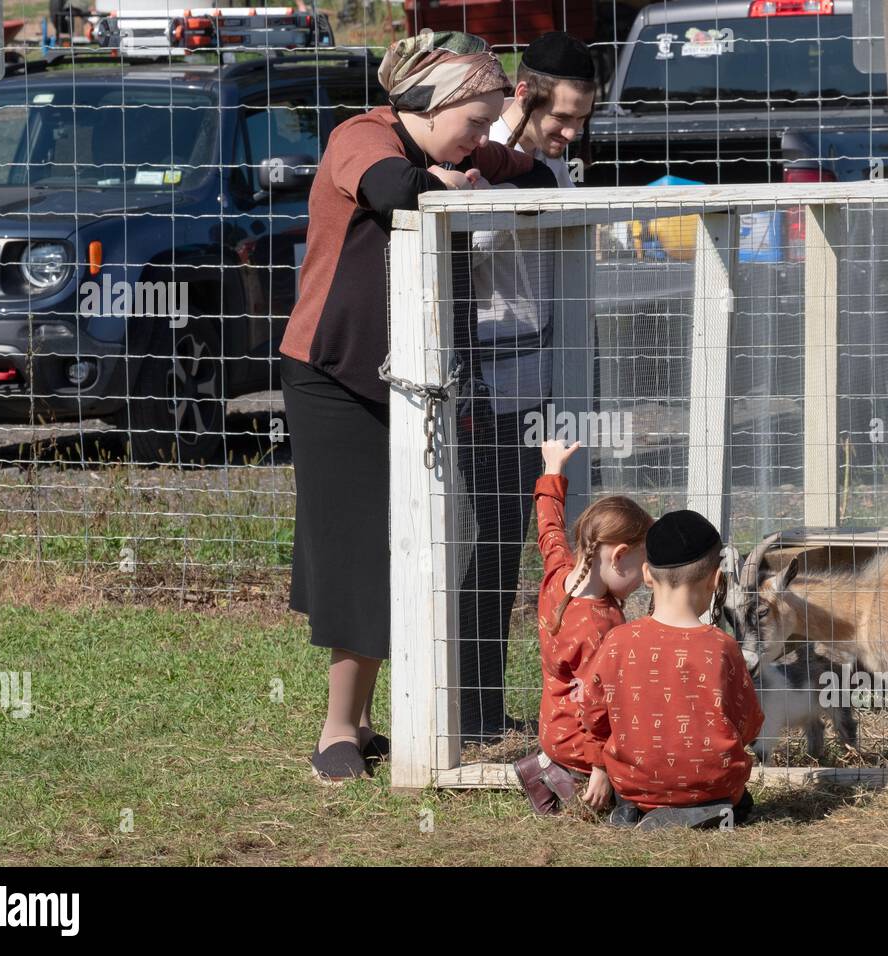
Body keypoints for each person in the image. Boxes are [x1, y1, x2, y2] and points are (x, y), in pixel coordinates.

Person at [279, 30, 551, 784]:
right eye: (474, 122)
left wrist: (507, 169)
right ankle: (339, 730)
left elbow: (534, 170)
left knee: (417, 540)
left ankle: (373, 719)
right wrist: (453, 187)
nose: (479, 139)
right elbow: (396, 190)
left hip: (411, 376)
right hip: (334, 376)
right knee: (361, 545)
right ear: (434, 102)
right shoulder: (359, 138)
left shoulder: (458, 149)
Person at [458, 32, 600, 741]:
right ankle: (470, 709)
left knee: (517, 542)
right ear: (524, 94)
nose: (572, 133)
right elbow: (470, 242)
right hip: (486, 382)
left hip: (539, 378)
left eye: (582, 121)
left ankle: (485, 706)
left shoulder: (550, 165)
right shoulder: (482, 161)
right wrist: (517, 166)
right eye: (562, 119)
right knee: (486, 545)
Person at [579, 510, 765, 829]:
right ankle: (701, 811)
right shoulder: (723, 648)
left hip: (634, 783)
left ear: (648, 575)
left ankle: (635, 808)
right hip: (712, 786)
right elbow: (747, 722)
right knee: (741, 804)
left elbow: (592, 713)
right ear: (716, 579)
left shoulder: (617, 641)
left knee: (636, 787)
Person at [513, 440, 653, 814]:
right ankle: (568, 777)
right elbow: (597, 705)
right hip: (581, 742)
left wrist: (553, 470)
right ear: (620, 556)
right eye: (643, 567)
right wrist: (601, 767)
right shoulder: (597, 626)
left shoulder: (559, 574)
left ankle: (548, 764)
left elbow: (548, 528)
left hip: (553, 729)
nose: (645, 578)